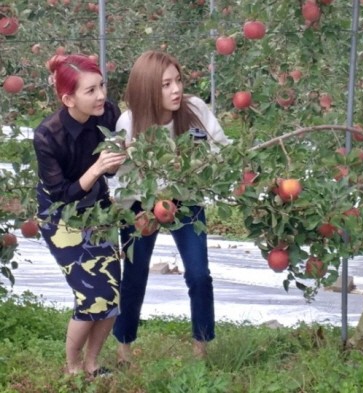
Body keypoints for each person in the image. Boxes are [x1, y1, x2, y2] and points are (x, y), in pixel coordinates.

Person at [111, 50, 230, 363]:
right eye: (166, 84)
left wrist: (199, 163)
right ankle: (124, 349)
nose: (176, 89)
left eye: (178, 80)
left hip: (186, 197)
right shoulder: (130, 122)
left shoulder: (193, 110)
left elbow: (220, 148)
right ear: (148, 88)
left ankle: (201, 350)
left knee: (199, 273)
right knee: (134, 275)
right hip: (142, 200)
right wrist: (132, 212)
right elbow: (119, 177)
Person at [33, 54, 126, 377]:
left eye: (101, 86)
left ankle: (93, 364)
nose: (101, 95)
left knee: (111, 292)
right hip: (60, 215)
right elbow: (61, 194)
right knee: (90, 295)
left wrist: (119, 162)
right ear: (68, 98)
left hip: (98, 208)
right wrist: (97, 168)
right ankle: (73, 369)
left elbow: (123, 153)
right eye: (90, 91)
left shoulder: (109, 113)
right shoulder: (47, 135)